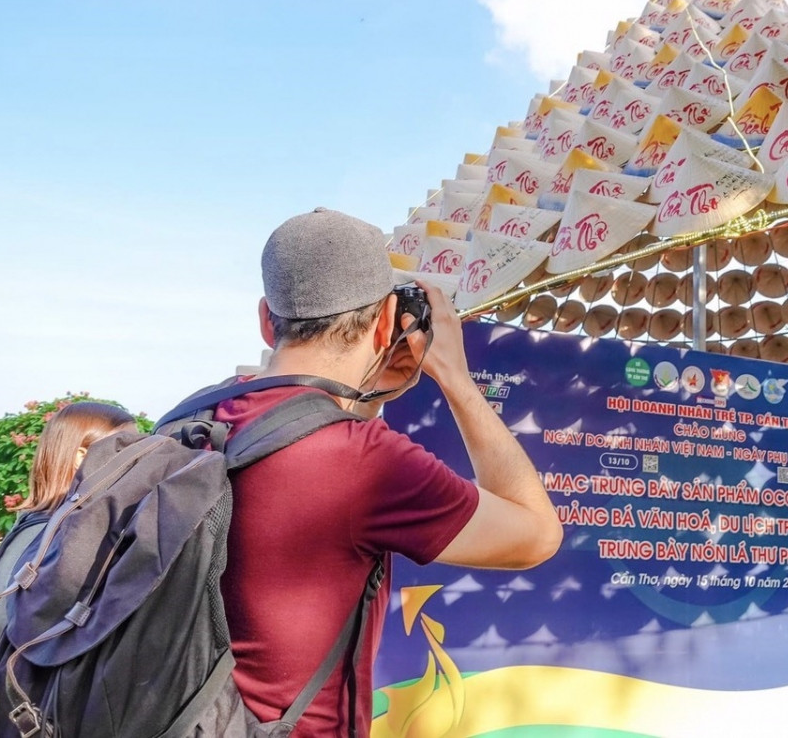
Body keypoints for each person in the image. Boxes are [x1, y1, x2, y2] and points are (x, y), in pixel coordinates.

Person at [212, 207, 563, 737]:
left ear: (266, 319)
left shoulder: (195, 422)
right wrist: (456, 379)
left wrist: (373, 396)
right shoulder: (361, 461)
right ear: (383, 322)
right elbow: (536, 535)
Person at [0, 403, 138, 654]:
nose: (139, 459)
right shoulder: (61, 536)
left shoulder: (31, 528)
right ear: (81, 455)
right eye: (126, 447)